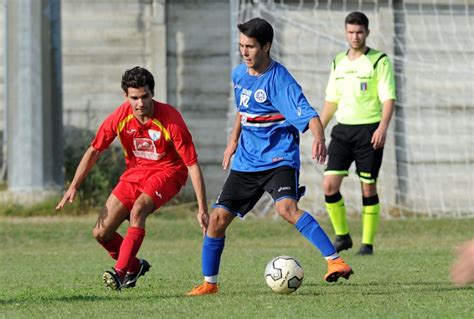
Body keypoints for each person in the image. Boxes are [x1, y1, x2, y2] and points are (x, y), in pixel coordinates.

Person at [186, 17, 353, 296]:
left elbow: (308, 113)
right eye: (241, 46)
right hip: (246, 162)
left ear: (266, 46)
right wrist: (232, 141)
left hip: (279, 159)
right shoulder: (239, 74)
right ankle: (209, 284)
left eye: (250, 47)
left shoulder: (280, 80)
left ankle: (335, 261)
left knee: (286, 209)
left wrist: (319, 138)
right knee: (216, 219)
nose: (245, 52)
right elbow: (243, 108)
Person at [56, 66, 209, 290]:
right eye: (134, 98)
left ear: (152, 94)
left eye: (145, 96)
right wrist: (74, 186)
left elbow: (192, 165)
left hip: (168, 172)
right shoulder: (120, 116)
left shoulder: (171, 119)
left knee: (138, 210)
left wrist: (202, 208)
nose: (140, 103)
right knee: (101, 232)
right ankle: (134, 266)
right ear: (126, 96)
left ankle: (119, 274)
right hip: (134, 174)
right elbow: (94, 150)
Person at [320, 11, 396, 256]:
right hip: (342, 131)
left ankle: (367, 244)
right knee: (329, 185)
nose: (355, 36)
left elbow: (388, 98)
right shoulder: (337, 61)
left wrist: (382, 127)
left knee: (367, 187)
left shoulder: (378, 61)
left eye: (359, 32)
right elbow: (331, 99)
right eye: (351, 32)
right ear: (345, 32)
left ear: (367, 32)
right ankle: (342, 236)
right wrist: (318, 128)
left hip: (369, 131)